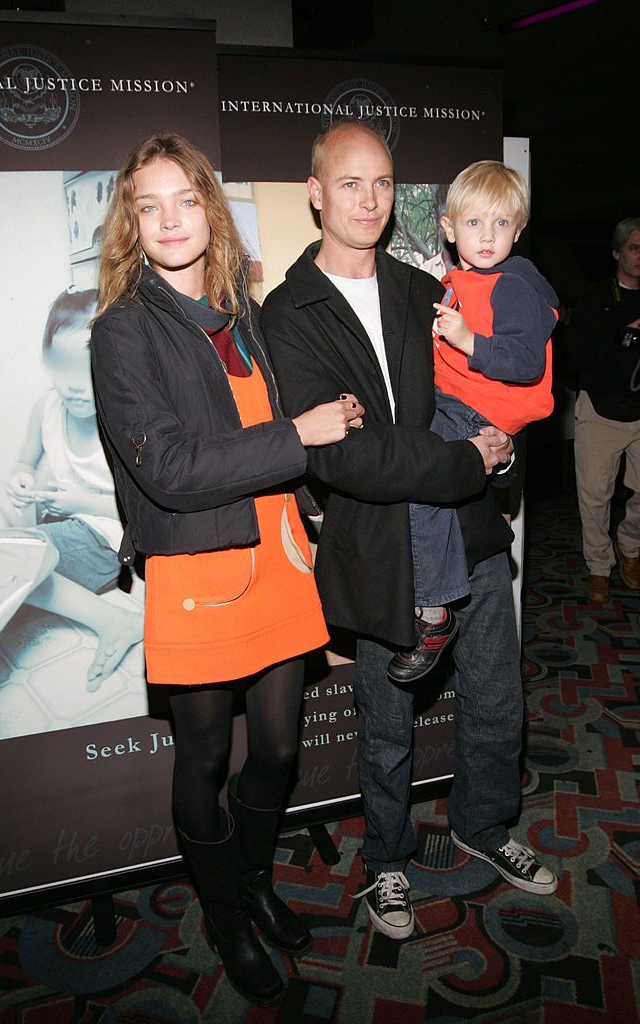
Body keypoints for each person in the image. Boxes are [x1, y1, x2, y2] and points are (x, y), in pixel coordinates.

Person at [261, 120, 558, 943]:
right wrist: (466, 457)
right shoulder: (288, 311)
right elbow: (351, 459)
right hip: (379, 545)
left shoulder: (428, 287)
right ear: (317, 192)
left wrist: (495, 459)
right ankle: (387, 859)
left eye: (384, 183)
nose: (369, 199)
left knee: (498, 696)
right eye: (351, 182)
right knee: (387, 720)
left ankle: (485, 825)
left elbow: (500, 390)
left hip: (471, 525)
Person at [90, 132, 364, 1005]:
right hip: (199, 566)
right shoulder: (123, 332)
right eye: (149, 204)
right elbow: (168, 470)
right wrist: (301, 433)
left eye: (185, 199)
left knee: (278, 750)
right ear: (132, 223)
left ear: (210, 207)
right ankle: (226, 917)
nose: (171, 219)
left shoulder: (241, 315)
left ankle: (248, 881)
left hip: (277, 552)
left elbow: (271, 439)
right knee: (205, 753)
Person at [388, 160, 557, 684]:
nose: (487, 237)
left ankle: (433, 613)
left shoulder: (513, 283)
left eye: (501, 224)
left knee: (420, 476)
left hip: (479, 410)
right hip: (455, 401)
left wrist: (468, 342)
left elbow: (527, 362)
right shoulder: (459, 279)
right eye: (475, 223)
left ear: (519, 229)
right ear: (448, 226)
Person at [4, 287, 142, 689]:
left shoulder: (125, 421)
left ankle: (116, 620)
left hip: (112, 537)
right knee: (11, 557)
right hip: (72, 520)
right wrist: (20, 477)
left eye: (89, 370)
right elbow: (23, 462)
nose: (75, 386)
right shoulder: (45, 409)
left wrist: (86, 501)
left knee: (15, 565)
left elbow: (149, 508)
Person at [567, 216, 640, 603]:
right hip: (599, 409)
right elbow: (574, 356)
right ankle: (599, 567)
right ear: (617, 252)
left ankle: (629, 548)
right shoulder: (596, 300)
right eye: (634, 247)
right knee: (595, 496)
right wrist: (624, 335)